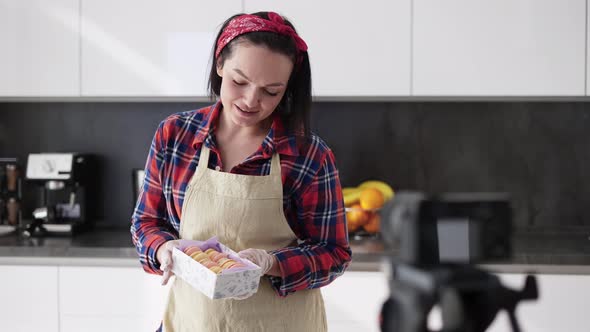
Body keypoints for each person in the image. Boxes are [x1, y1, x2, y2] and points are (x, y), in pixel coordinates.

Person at [130, 11, 351, 332]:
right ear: (220, 64)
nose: (251, 100)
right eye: (239, 81)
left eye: (271, 91)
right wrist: (163, 249)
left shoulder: (308, 154)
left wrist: (271, 263)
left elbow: (334, 252)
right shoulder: (175, 135)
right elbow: (146, 222)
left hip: (280, 323)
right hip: (193, 321)